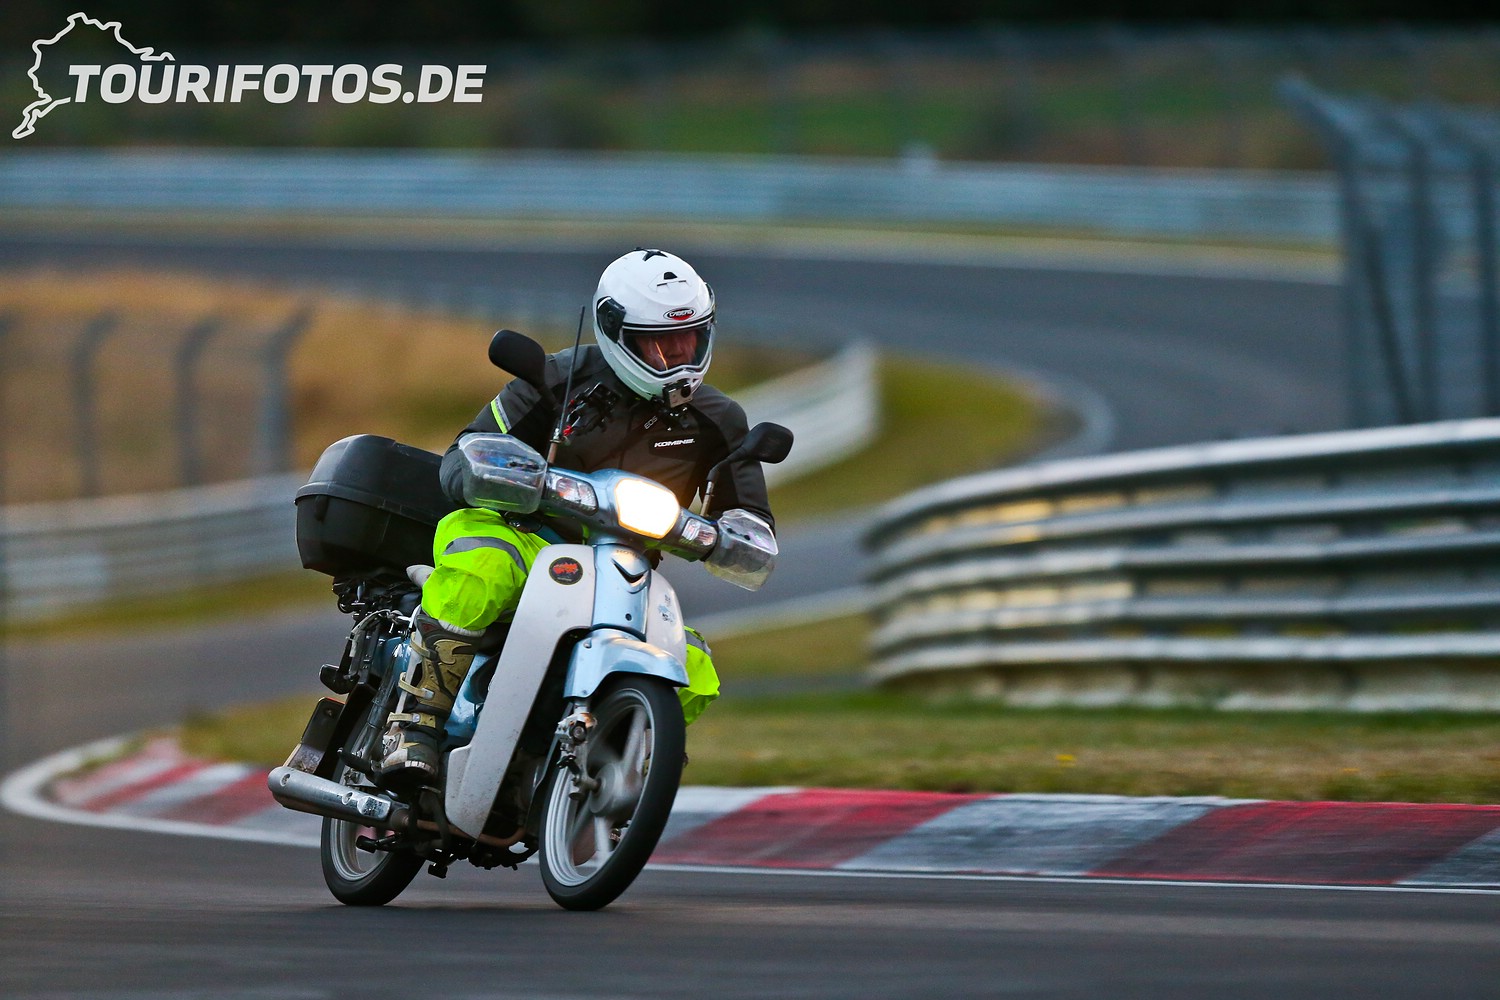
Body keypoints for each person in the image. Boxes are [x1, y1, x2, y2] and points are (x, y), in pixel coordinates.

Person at [380, 248, 776, 780]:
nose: (677, 358)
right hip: (524, 535)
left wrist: (739, 539)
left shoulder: (721, 420)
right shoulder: (556, 378)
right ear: (614, 331)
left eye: (690, 340)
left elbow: (748, 523)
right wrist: (510, 474)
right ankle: (412, 727)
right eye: (658, 344)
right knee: (485, 566)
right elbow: (465, 456)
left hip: (621, 576)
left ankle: (617, 774)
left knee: (696, 668)